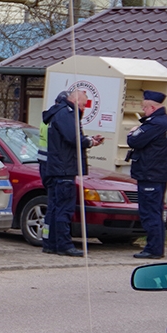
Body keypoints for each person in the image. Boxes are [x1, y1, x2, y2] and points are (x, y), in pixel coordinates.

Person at [42, 89, 103, 257]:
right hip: (64, 168)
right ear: (75, 100)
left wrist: (88, 140)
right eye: (83, 104)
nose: (84, 108)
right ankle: (63, 245)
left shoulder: (59, 113)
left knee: (54, 208)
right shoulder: (66, 114)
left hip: (57, 168)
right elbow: (73, 138)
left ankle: (50, 243)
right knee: (64, 209)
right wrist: (89, 142)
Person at [127, 90, 167, 259]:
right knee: (155, 211)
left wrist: (132, 131)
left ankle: (153, 249)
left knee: (149, 213)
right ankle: (156, 247)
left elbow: (134, 141)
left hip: (150, 174)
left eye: (144, 107)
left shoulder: (155, 124)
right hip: (158, 173)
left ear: (152, 107)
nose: (143, 110)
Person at [37, 91, 71, 252]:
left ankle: (48, 241)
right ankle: (55, 242)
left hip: (45, 165)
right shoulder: (59, 118)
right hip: (55, 167)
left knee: (52, 205)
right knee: (58, 205)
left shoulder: (48, 118)